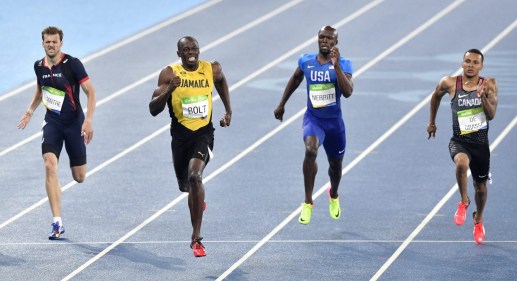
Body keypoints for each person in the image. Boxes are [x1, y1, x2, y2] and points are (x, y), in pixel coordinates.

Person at [149, 36, 232, 257]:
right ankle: (198, 200)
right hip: (180, 137)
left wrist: (228, 110)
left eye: (194, 48)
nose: (191, 52)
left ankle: (196, 238)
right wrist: (168, 91)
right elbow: (152, 108)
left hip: (204, 134)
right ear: (179, 54)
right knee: (186, 187)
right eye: (186, 50)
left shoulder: (211, 69)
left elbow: (221, 81)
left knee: (195, 176)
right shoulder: (169, 74)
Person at [17, 26, 96, 240]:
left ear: (61, 43)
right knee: (49, 164)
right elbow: (40, 89)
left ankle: (58, 215)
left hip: (74, 124)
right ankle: (57, 221)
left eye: (54, 41)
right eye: (47, 41)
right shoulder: (38, 66)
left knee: (79, 177)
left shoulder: (73, 64)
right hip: (52, 122)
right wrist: (30, 111)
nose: (51, 45)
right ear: (42, 43)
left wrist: (88, 121)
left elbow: (91, 92)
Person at [274, 26, 353, 225]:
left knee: (335, 166)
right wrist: (282, 104)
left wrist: (336, 67)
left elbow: (348, 92)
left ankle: (333, 194)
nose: (325, 41)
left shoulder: (344, 63)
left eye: (329, 38)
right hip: (314, 119)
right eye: (322, 37)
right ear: (318, 39)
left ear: (336, 42)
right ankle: (308, 201)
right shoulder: (306, 61)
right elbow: (296, 78)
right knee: (310, 151)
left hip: (334, 124)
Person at [427, 49, 498, 244]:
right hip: (459, 141)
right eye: (467, 61)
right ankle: (464, 201)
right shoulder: (449, 83)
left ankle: (478, 219)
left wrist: (482, 97)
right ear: (462, 62)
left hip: (481, 145)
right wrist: (432, 122)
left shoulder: (489, 84)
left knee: (481, 189)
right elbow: (435, 96)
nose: (470, 65)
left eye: (475, 62)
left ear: (481, 66)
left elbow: (491, 115)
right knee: (461, 164)